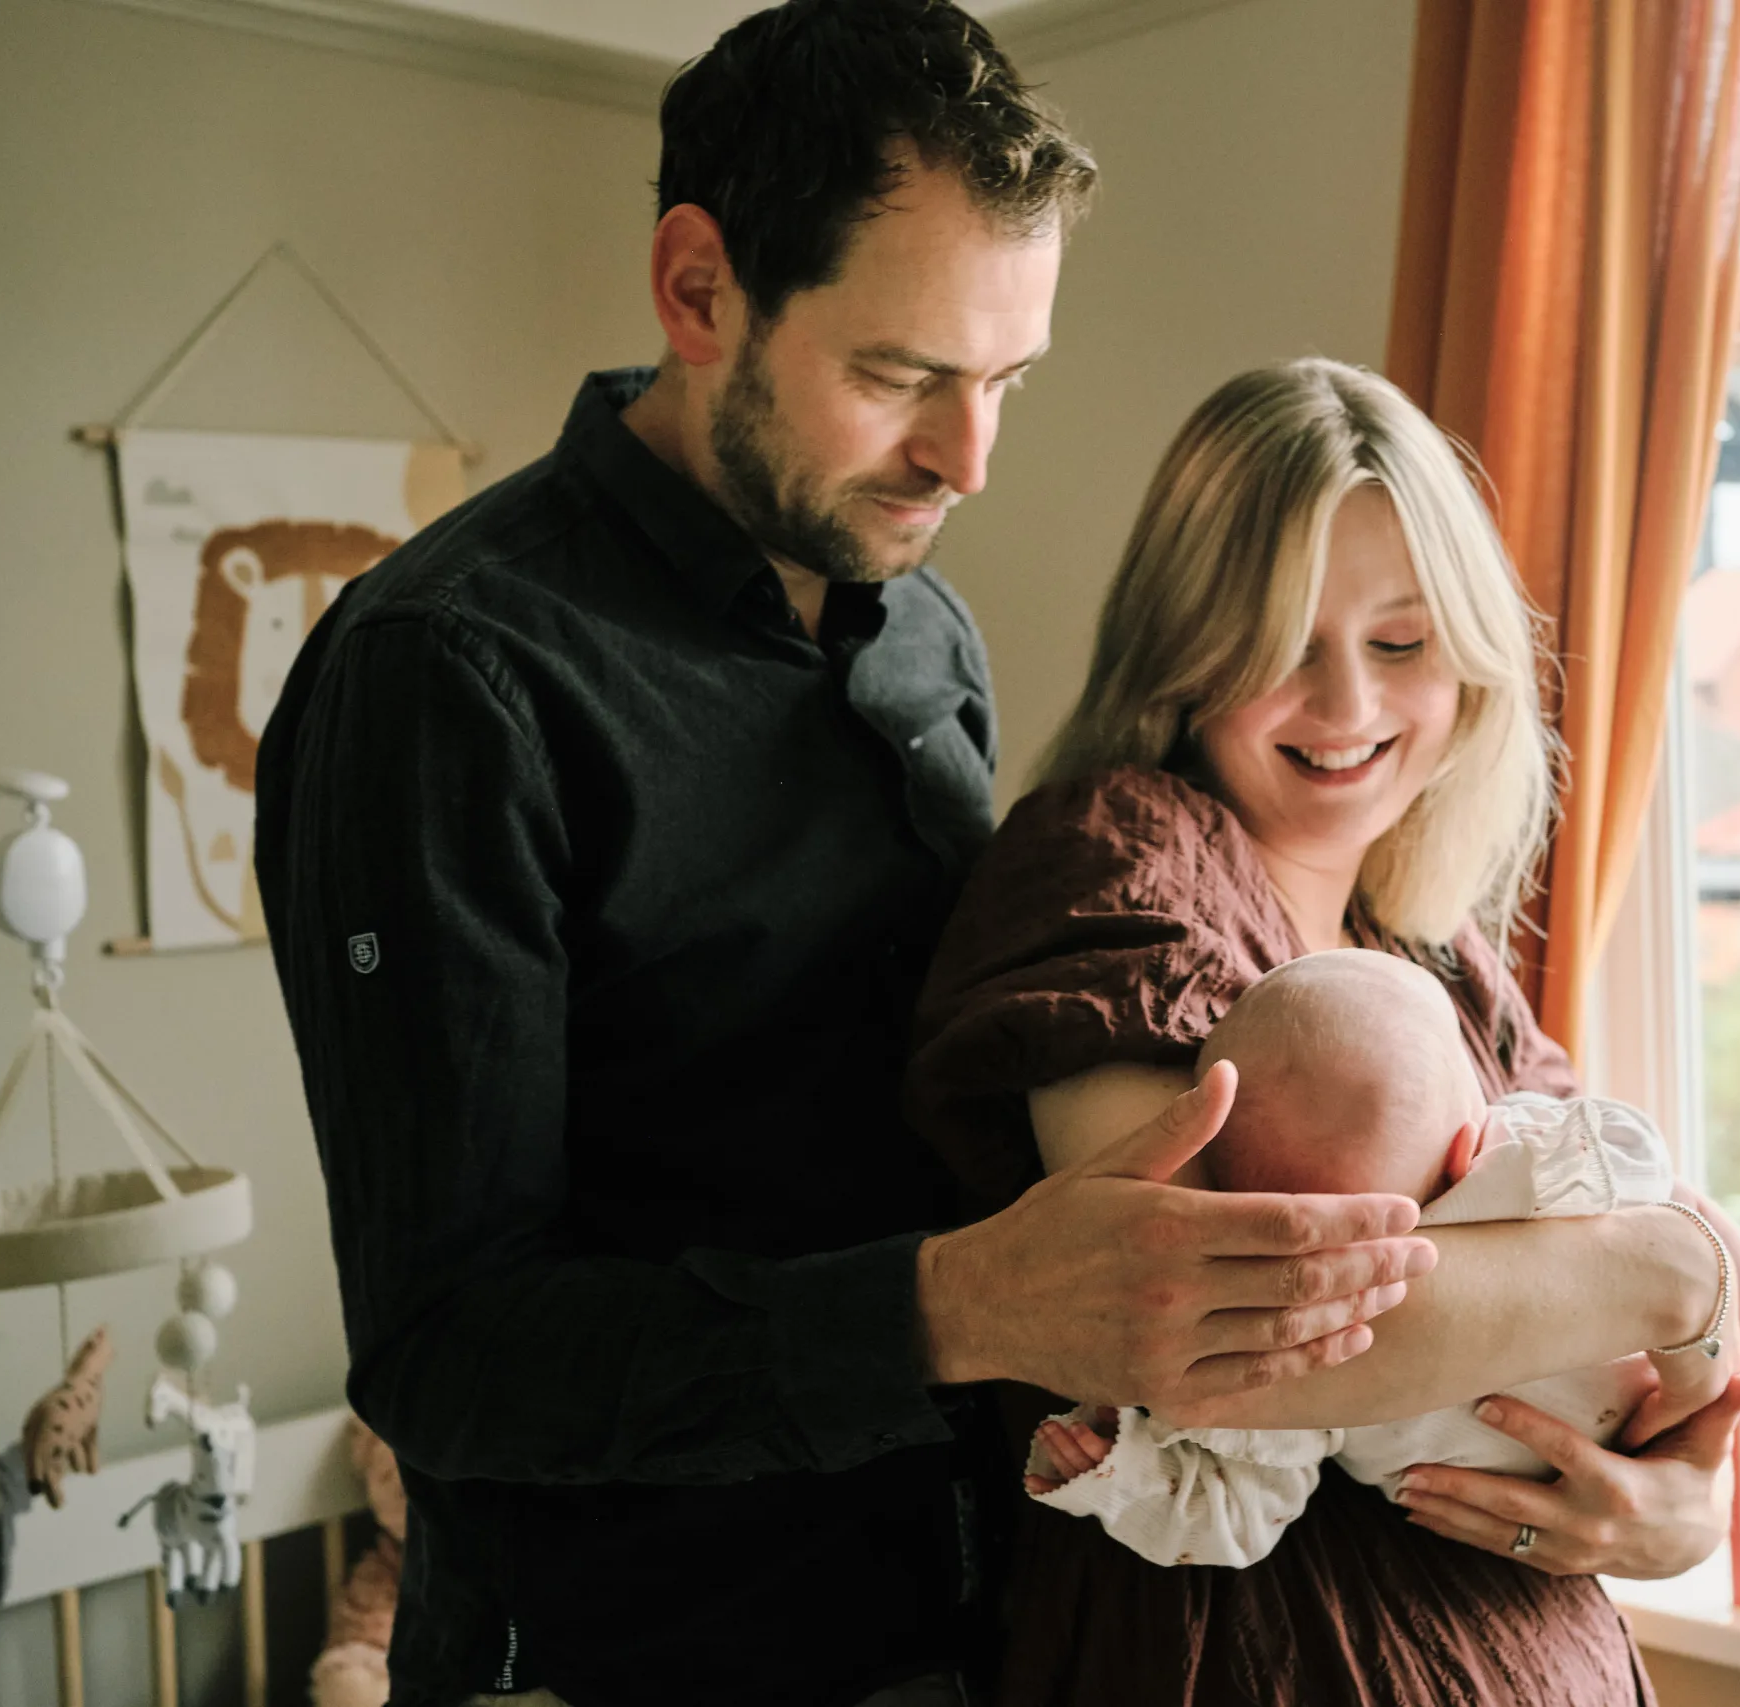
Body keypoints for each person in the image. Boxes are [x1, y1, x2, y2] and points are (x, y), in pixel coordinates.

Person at [253, 9, 1442, 1705]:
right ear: (697, 289)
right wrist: (959, 1307)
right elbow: (452, 1356)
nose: (970, 459)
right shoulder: (447, 677)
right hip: (631, 1664)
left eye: (1006, 381)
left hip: (973, 1630)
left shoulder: (928, 636)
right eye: (902, 377)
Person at [909, 358, 1740, 1706]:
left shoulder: (1434, 942)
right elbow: (1222, 1322)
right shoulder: (1117, 859)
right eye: (1280, 645)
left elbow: (1683, 1358)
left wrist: (1676, 1502)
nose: (1351, 706)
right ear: (1185, 650)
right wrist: (1684, 1275)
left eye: (1401, 643)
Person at [1019, 950, 1740, 1570]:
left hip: (1661, 1402)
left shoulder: (1525, 1163)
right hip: (1549, 1515)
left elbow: (1657, 1200)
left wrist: (1694, 1504)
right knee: (1681, 1209)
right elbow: (1242, 1513)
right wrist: (1124, 1468)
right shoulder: (1308, 1340)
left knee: (1680, 1201)